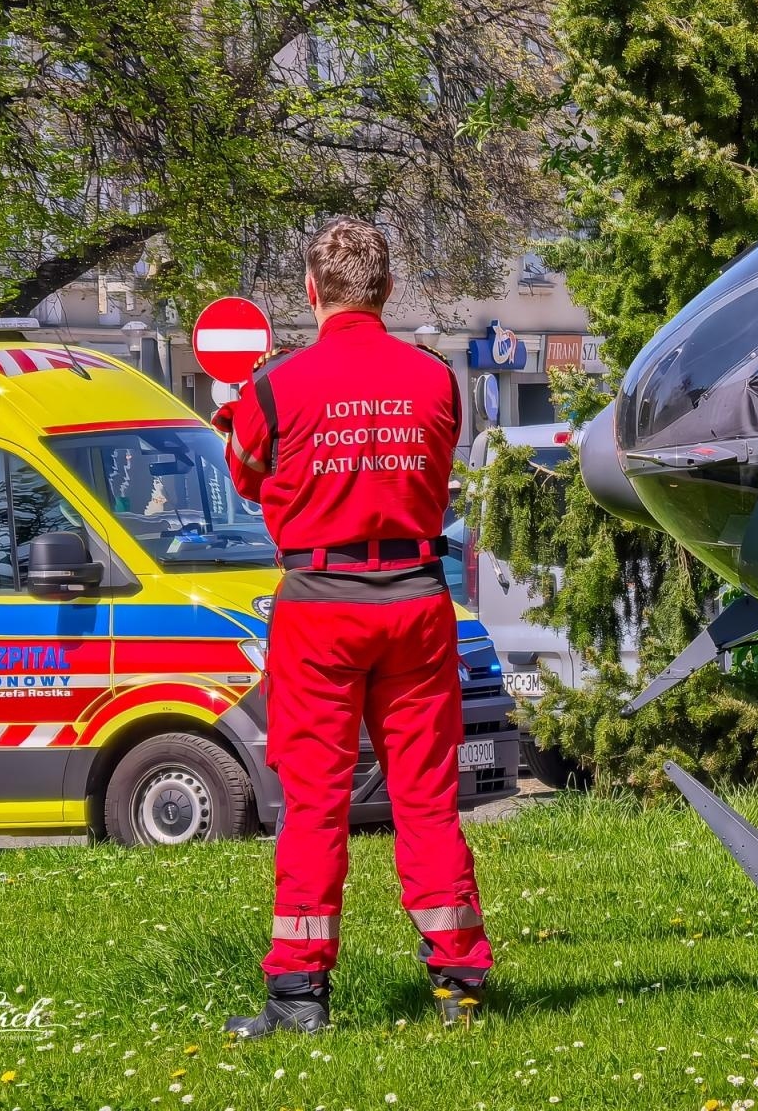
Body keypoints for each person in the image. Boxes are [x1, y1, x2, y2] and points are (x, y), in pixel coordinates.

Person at [215, 218, 492, 1037]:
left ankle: (299, 1000)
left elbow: (247, 479)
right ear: (387, 289)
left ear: (311, 291)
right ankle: (460, 984)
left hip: (320, 605)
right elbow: (439, 466)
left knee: (315, 805)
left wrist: (245, 430)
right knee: (428, 799)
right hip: (415, 595)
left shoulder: (275, 386)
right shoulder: (437, 378)